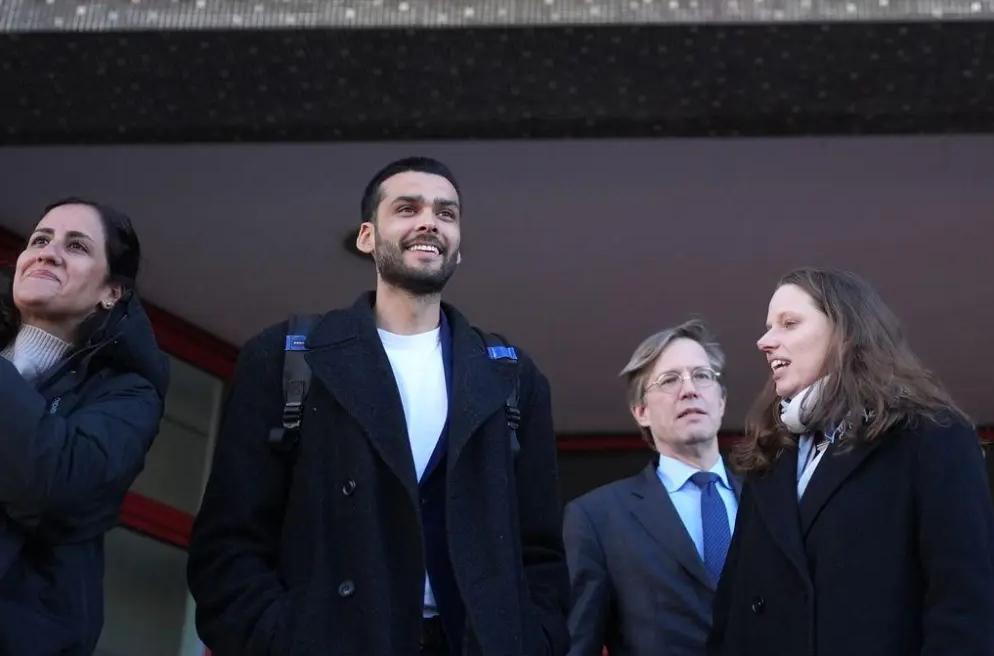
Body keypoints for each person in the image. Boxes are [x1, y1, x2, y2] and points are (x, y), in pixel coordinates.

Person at [186, 156, 569, 656]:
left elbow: (540, 552)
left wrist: (532, 640)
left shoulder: (513, 378)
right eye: (407, 208)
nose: (429, 221)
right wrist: (282, 640)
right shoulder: (287, 357)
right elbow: (228, 543)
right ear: (367, 237)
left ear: (458, 246)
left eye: (446, 213)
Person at [708, 267, 994, 656]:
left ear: (845, 332)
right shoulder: (771, 459)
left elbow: (963, 608)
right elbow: (731, 616)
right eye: (768, 327)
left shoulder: (930, 436)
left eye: (789, 323)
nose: (765, 341)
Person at [0, 198, 170, 656]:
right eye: (39, 239)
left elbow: (52, 484)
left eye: (76, 246)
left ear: (111, 292)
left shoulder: (128, 395)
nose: (48, 252)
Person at [564, 319, 738, 656]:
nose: (689, 389)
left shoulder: (770, 502)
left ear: (721, 402)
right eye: (670, 380)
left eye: (702, 376)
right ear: (640, 411)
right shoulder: (598, 518)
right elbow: (580, 642)